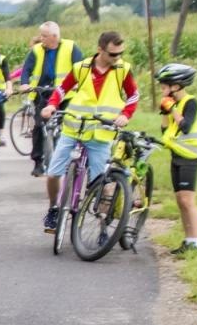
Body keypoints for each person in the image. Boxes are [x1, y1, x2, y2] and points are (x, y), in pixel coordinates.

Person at [39, 30, 139, 234]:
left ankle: (102, 228)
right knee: (53, 173)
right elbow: (62, 90)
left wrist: (125, 115)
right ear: (100, 50)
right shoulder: (81, 67)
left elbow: (133, 96)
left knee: (102, 183)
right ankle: (53, 208)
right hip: (74, 128)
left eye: (120, 53)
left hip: (101, 133)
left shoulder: (122, 70)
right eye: (113, 54)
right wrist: (51, 105)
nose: (117, 57)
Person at [20, 21, 83, 176]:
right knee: (38, 126)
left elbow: (81, 69)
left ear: (54, 36)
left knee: (70, 124)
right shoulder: (36, 50)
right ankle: (38, 162)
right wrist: (24, 83)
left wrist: (79, 84)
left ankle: (73, 158)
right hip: (43, 93)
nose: (41, 38)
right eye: (41, 35)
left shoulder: (71, 47)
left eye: (44, 36)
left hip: (65, 95)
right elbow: (26, 69)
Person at [155, 63, 197, 255]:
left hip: (190, 156)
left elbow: (186, 127)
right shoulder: (174, 104)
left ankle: (196, 242)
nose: (162, 90)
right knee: (180, 200)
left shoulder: (191, 102)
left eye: (164, 86)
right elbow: (165, 131)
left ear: (176, 86)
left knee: (187, 200)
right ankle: (188, 240)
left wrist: (173, 109)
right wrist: (165, 113)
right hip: (176, 155)